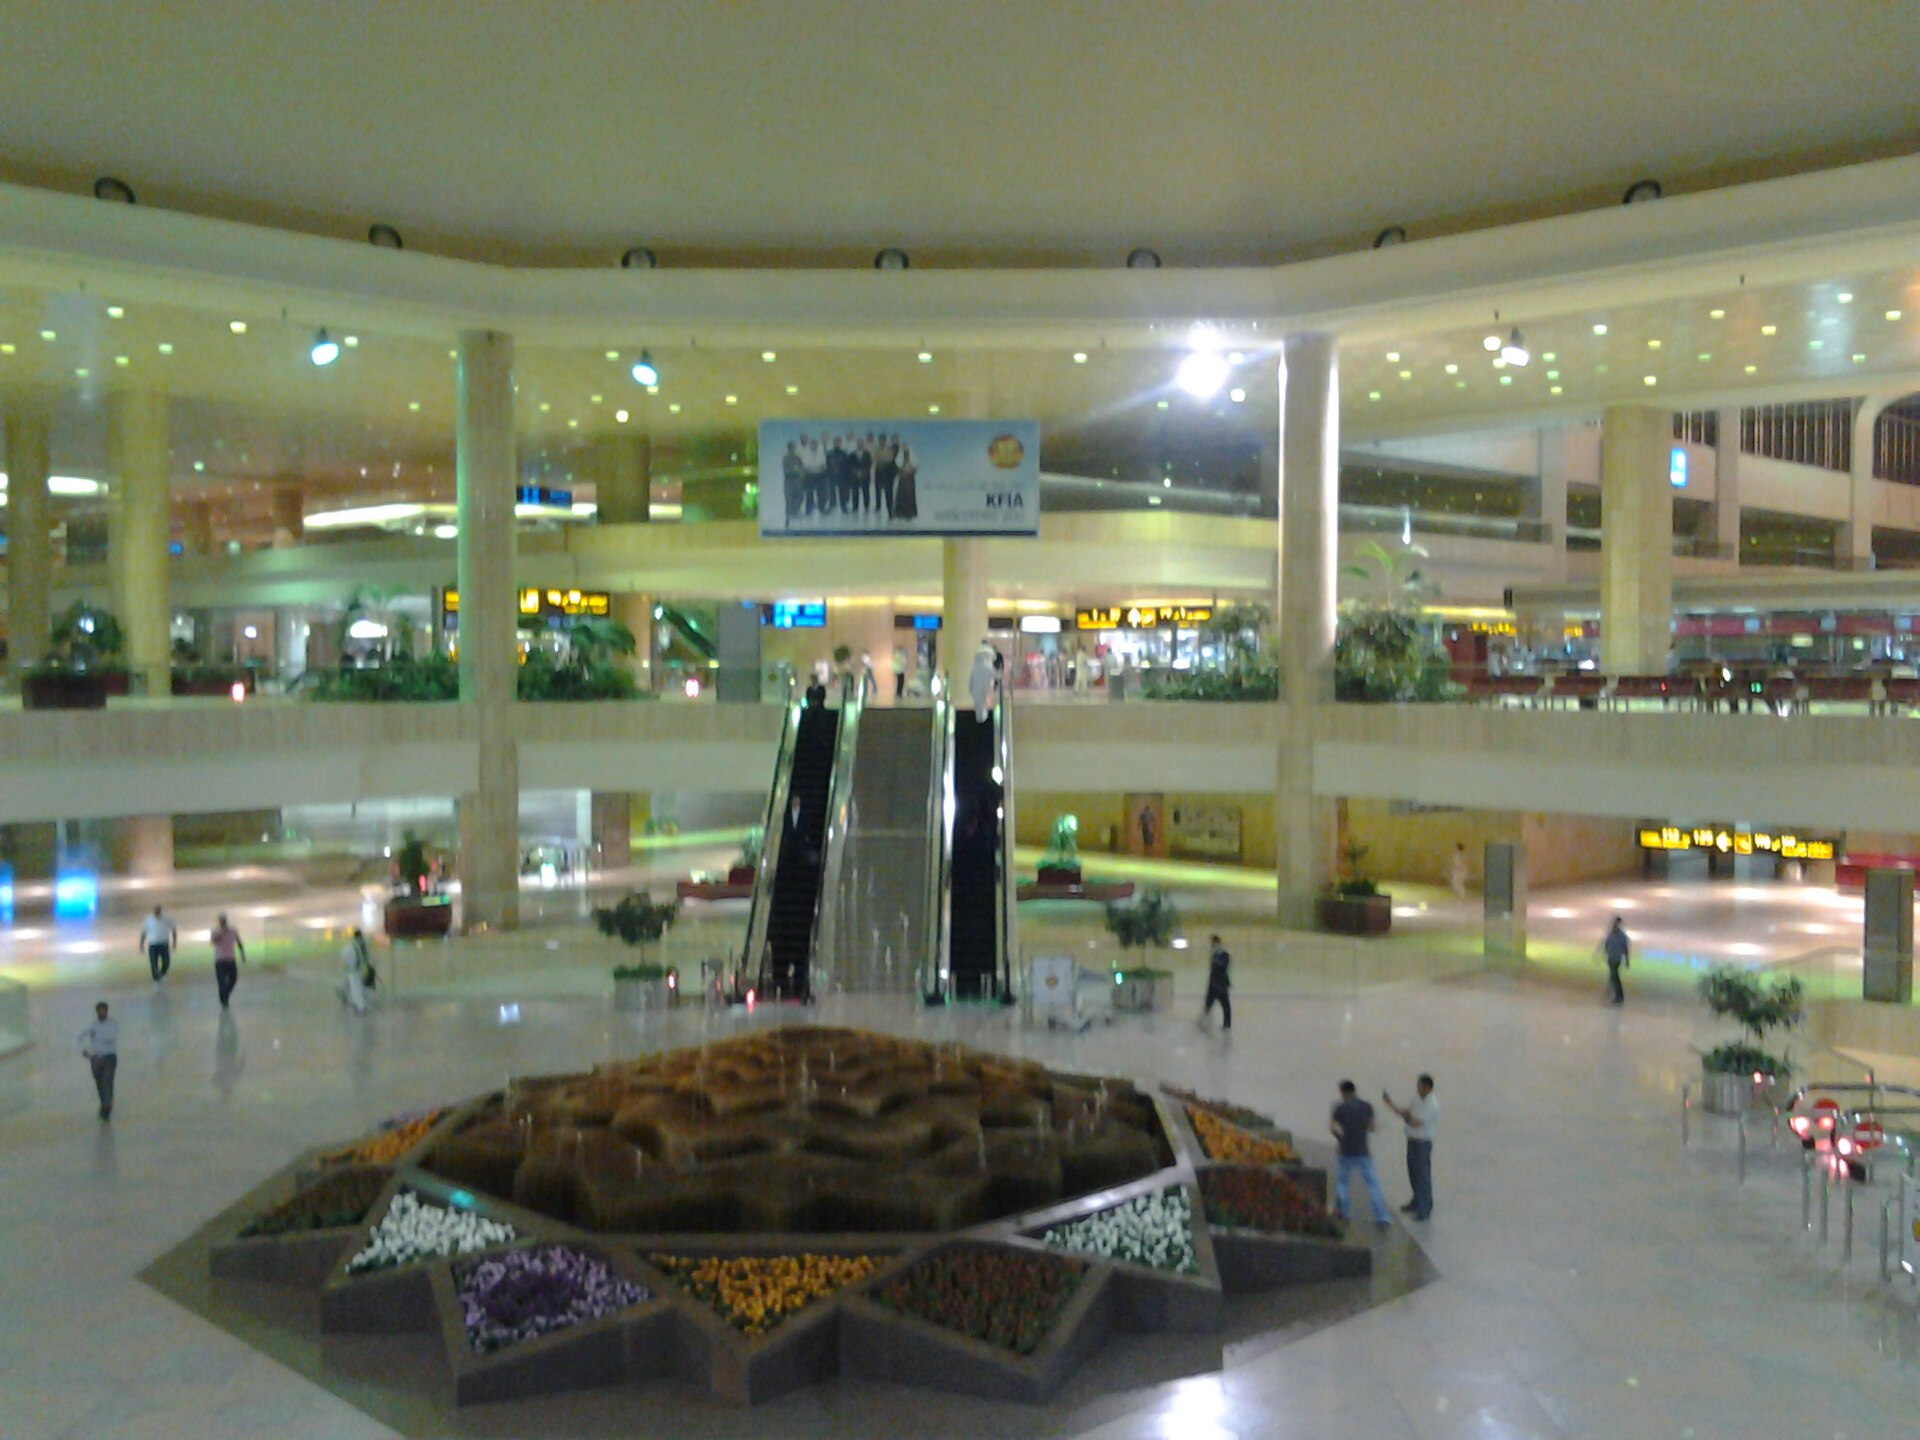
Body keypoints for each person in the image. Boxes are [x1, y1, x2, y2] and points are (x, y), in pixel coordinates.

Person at [1330, 1080, 1392, 1228]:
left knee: (1342, 1183)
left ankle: (1344, 1214)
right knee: (1372, 1184)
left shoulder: (1339, 1108)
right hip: (1363, 1152)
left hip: (1345, 1151)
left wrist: (1341, 1140)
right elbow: (1371, 1128)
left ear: (1343, 1092)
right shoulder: (1367, 1106)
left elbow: (1333, 1128)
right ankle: (1382, 1216)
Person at [1384, 1074, 1438, 1221]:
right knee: (1413, 1173)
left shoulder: (1431, 1104)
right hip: (1412, 1141)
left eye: (1420, 1086)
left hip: (1422, 1143)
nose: (1417, 1088)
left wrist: (1405, 1117)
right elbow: (1408, 1112)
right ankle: (1416, 1201)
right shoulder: (1418, 1099)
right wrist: (1392, 1105)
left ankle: (1424, 1208)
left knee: (1422, 1176)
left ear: (1427, 1087)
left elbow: (1416, 1122)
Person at [78, 1000, 118, 1120]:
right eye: (99, 1011)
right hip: (96, 1059)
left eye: (103, 1011)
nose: (102, 1013)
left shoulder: (112, 1024)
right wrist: (84, 1051)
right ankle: (103, 1103)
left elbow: (112, 1037)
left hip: (109, 1057)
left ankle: (107, 1106)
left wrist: (96, 1035)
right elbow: (78, 1037)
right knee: (99, 1083)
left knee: (107, 1081)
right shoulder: (92, 1025)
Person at [209, 912, 247, 1009]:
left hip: (230, 959)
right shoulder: (215, 931)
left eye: (224, 921)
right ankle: (224, 1001)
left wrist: (242, 955)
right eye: (221, 921)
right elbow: (213, 941)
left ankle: (225, 994)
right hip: (220, 960)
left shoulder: (233, 931)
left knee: (233, 979)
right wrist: (222, 933)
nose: (223, 922)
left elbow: (239, 942)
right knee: (221, 982)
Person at [1199, 933, 1231, 1029]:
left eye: (1213, 943)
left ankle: (1227, 1023)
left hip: (1221, 984)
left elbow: (1223, 968)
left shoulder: (1224, 955)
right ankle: (1202, 1021)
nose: (1211, 945)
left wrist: (1216, 963)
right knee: (1208, 1003)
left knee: (1225, 1004)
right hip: (1213, 984)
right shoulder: (1213, 955)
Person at [139, 904, 177, 982]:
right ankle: (156, 978)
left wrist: (174, 943)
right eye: (156, 910)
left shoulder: (167, 919)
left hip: (163, 944)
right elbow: (144, 932)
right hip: (153, 945)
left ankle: (162, 973)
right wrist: (141, 945)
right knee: (153, 964)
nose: (157, 912)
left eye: (158, 910)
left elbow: (173, 930)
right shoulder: (149, 920)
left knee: (166, 962)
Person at [341, 928, 372, 1014]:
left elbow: (346, 956)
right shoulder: (363, 944)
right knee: (357, 987)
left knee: (356, 988)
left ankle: (360, 1007)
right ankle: (353, 1000)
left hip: (354, 970)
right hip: (361, 969)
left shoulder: (351, 945)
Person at [1601, 915, 1630, 1005]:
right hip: (1611, 957)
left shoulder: (1621, 936)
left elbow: (1625, 948)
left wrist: (1627, 960)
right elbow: (1606, 943)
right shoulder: (1611, 933)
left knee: (1615, 976)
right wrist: (1605, 952)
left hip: (1616, 958)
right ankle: (1611, 989)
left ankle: (1619, 996)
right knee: (1613, 975)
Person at [968, 642, 999, 721]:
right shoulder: (987, 668)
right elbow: (997, 675)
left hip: (977, 692)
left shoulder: (975, 668)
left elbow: (971, 685)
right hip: (981, 692)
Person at [894, 444, 919, 522]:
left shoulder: (913, 457)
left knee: (910, 497)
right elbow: (898, 467)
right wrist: (903, 472)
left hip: (910, 480)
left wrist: (910, 471)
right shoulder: (900, 458)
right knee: (901, 495)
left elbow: (915, 468)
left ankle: (910, 513)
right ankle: (900, 513)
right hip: (902, 480)